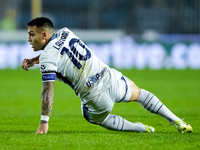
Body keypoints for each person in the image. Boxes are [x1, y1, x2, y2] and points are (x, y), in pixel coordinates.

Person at [21, 17, 193, 134]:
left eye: (31, 34)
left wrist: (44, 122)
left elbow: (47, 91)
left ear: (44, 34)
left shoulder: (48, 58)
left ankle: (139, 129)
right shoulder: (66, 32)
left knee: (94, 118)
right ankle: (177, 121)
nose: (29, 39)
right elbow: (58, 50)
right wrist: (34, 60)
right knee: (139, 93)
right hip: (110, 78)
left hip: (95, 99)